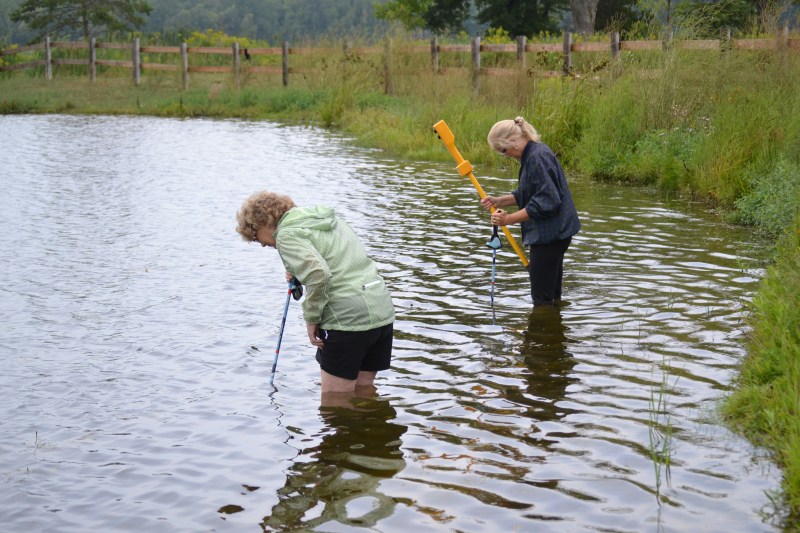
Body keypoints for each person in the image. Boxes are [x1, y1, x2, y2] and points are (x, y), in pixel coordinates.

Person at [236, 191, 395, 395]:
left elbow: (319, 275)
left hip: (347, 319)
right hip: (380, 310)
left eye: (257, 238)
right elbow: (337, 263)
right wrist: (300, 271)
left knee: (335, 404)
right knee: (364, 392)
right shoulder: (327, 219)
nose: (264, 244)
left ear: (262, 223)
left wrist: (311, 320)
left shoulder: (286, 235)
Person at [482, 116, 581, 306]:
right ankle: (555, 328)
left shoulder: (537, 157)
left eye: (503, 150)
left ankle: (541, 333)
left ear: (512, 141)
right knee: (552, 295)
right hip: (557, 234)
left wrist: (508, 219)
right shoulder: (533, 153)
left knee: (541, 300)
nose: (505, 155)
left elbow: (547, 200)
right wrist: (498, 200)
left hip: (550, 237)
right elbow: (529, 193)